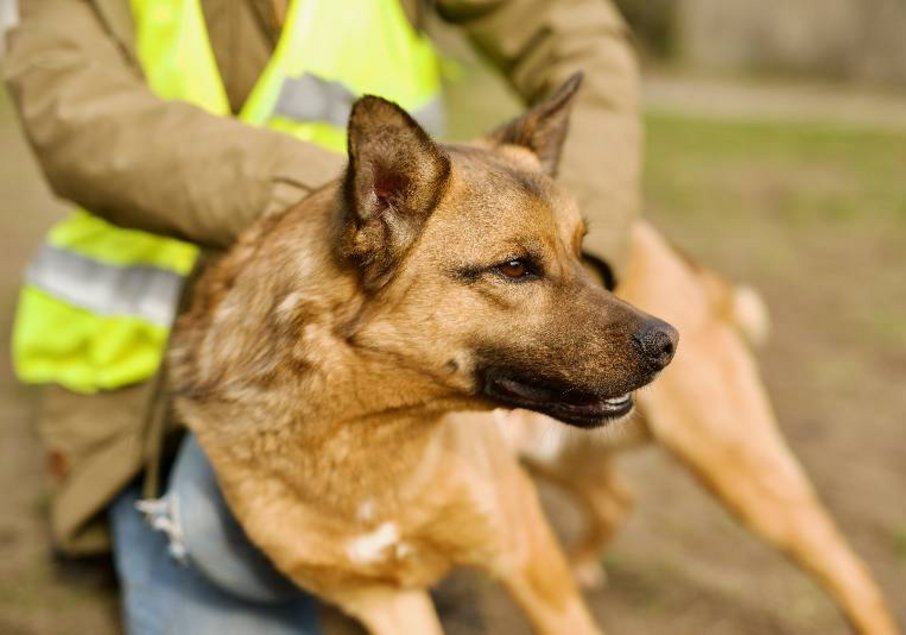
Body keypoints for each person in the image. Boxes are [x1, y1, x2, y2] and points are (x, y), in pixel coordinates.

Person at [3, 0, 642, 632]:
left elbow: (573, 34)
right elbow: (82, 122)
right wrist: (379, 211)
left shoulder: (455, 226)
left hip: (407, 309)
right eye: (519, 269)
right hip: (148, 385)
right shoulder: (395, 210)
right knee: (214, 545)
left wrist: (560, 236)